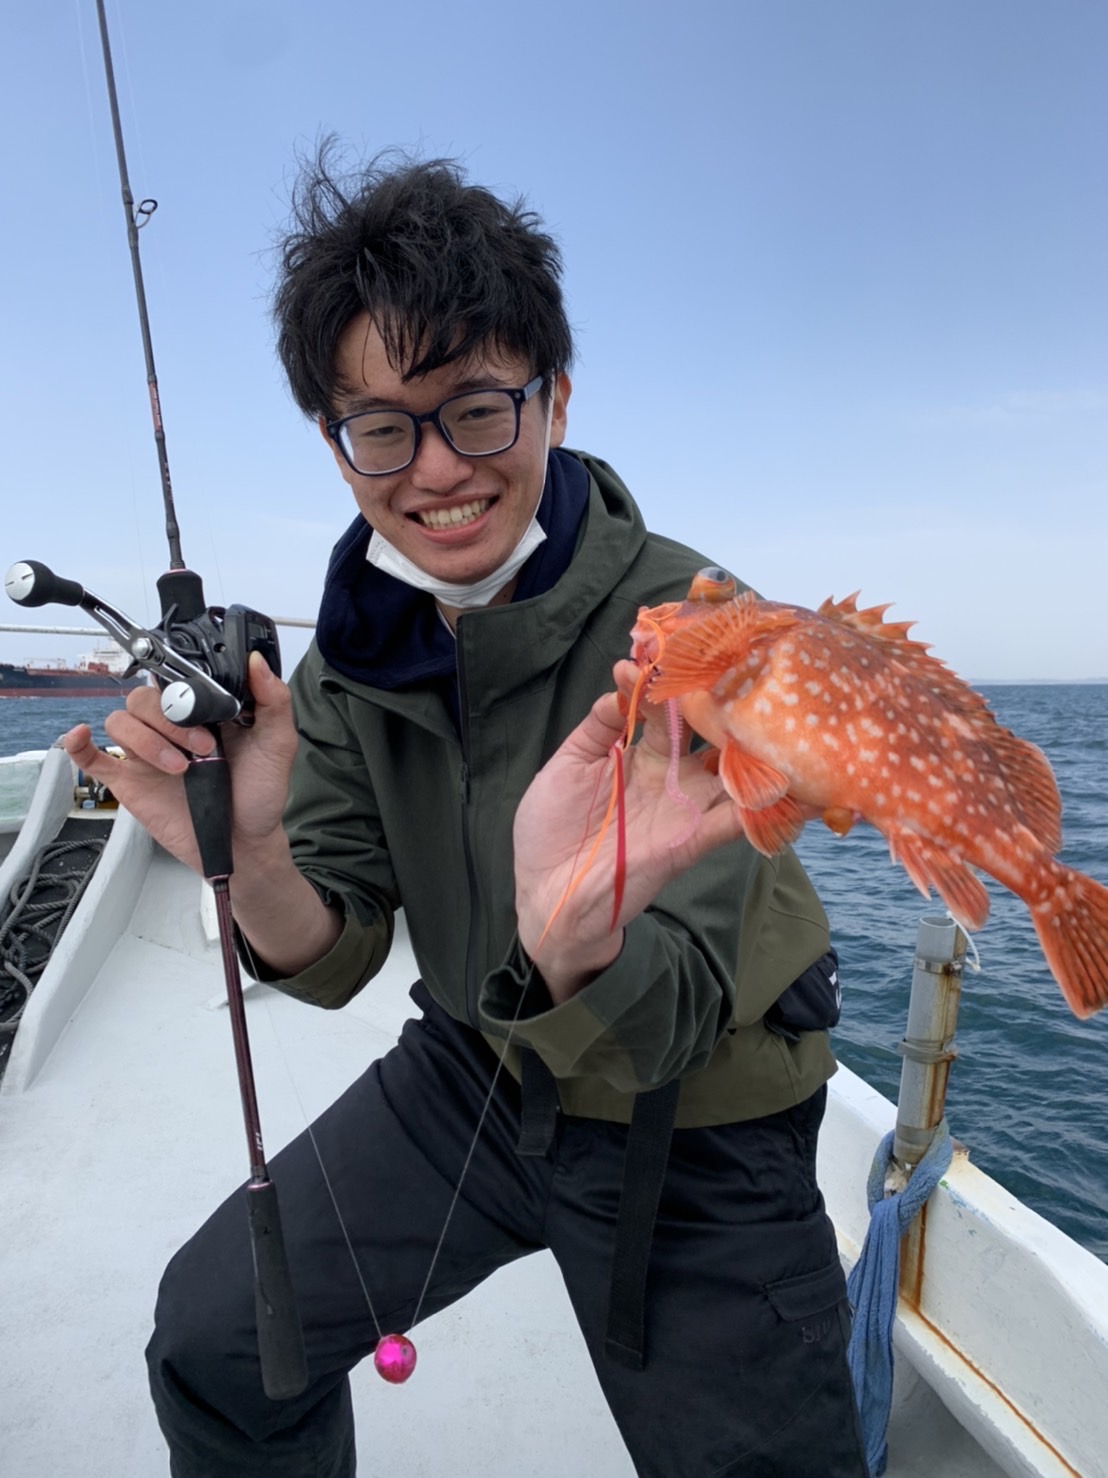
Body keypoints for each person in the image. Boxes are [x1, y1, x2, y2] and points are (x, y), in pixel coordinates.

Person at [64, 148, 866, 1476]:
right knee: (216, 1341)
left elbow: (673, 1015)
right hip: (474, 1074)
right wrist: (250, 848)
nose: (434, 469)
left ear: (555, 396)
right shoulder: (353, 657)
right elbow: (334, 953)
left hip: (696, 1122)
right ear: (337, 445)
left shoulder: (704, 629)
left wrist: (574, 937)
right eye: (381, 426)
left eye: (478, 411)